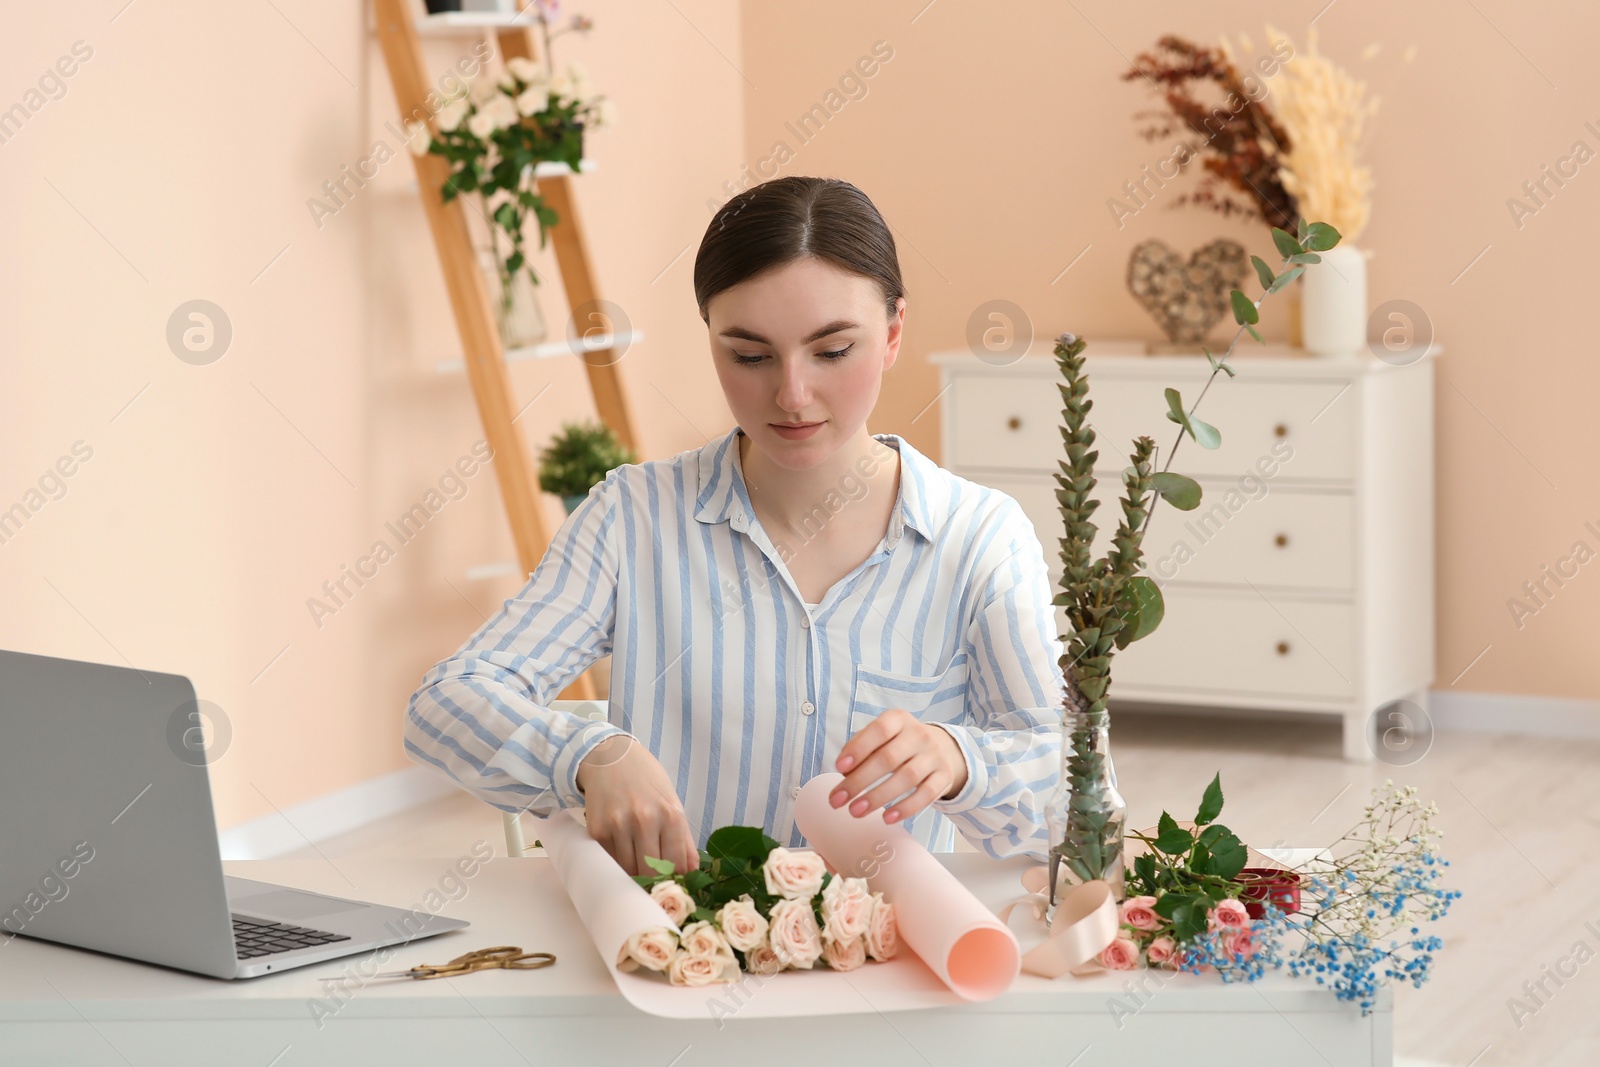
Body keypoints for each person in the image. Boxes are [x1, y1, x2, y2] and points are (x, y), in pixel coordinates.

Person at [404, 175, 1072, 877]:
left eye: (833, 351)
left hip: (882, 958)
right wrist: (587, 753)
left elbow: (1075, 792)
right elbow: (447, 701)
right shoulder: (632, 516)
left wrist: (963, 759)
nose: (791, 394)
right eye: (749, 356)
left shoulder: (979, 537)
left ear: (895, 332)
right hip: (674, 952)